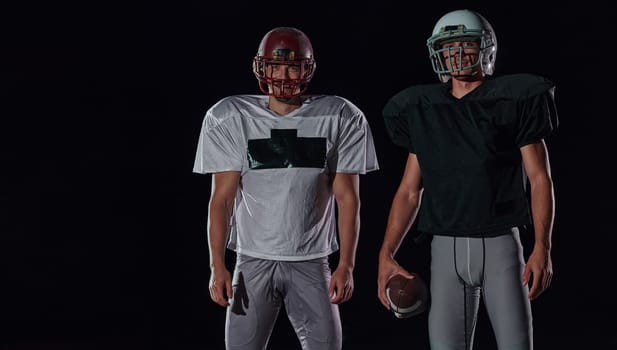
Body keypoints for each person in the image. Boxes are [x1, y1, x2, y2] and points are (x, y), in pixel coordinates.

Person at [376, 9, 558, 350]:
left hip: (501, 244)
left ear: (485, 49)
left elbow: (539, 178)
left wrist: (542, 248)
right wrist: (386, 252)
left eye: (465, 44)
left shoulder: (511, 100)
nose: (456, 53)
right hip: (444, 248)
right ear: (438, 51)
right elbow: (409, 191)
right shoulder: (423, 108)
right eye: (449, 45)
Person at [193, 26, 379, 350]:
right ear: (261, 67)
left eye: (292, 65)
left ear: (306, 68)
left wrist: (346, 264)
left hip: (312, 259)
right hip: (252, 259)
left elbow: (348, 199)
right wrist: (216, 264)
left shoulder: (339, 116)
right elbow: (221, 199)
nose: (283, 74)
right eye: (276, 66)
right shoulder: (231, 117)